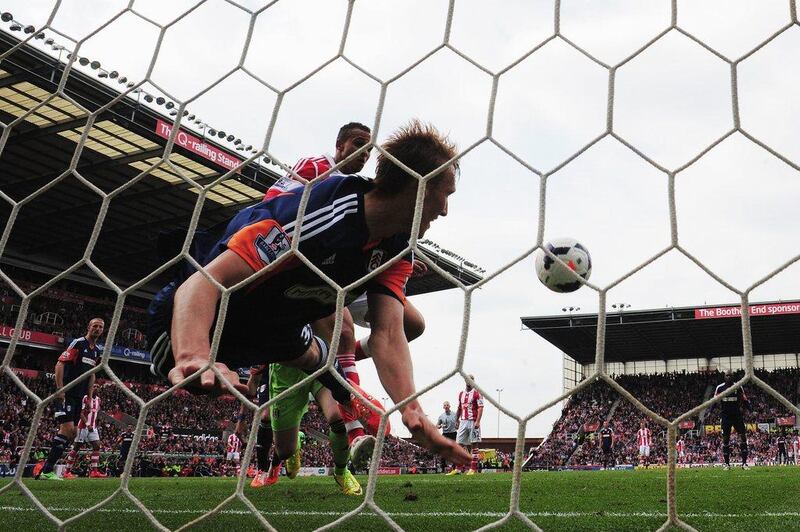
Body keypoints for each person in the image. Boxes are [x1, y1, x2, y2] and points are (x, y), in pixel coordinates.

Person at [147, 121, 468, 467]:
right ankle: (333, 384)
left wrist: (412, 409)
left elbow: (388, 333)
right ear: (415, 186)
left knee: (318, 348)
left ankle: (338, 382)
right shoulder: (320, 213)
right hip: (204, 321)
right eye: (445, 194)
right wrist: (194, 352)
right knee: (195, 376)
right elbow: (206, 282)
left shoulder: (397, 248)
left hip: (279, 325)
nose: (446, 210)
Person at [265, 121, 427, 457]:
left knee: (413, 325)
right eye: (357, 145)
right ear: (339, 145)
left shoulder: (362, 186)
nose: (364, 154)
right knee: (344, 325)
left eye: (369, 149)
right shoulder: (317, 167)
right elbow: (273, 201)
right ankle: (355, 426)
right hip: (312, 271)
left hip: (351, 273)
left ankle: (340, 360)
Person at [36, 318, 105, 480]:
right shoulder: (78, 343)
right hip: (67, 392)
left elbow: (92, 373)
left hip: (79, 396)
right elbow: (60, 364)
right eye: (94, 326)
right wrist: (60, 389)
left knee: (73, 434)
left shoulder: (96, 351)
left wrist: (88, 396)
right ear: (88, 327)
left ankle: (49, 467)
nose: (97, 329)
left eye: (100, 327)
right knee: (66, 430)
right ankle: (46, 470)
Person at [63, 385, 106, 479]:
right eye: (94, 386)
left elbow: (94, 414)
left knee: (97, 446)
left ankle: (94, 472)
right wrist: (87, 424)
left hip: (93, 427)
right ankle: (66, 472)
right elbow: (80, 413)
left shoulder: (99, 400)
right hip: (83, 426)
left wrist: (93, 424)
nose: (96, 388)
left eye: (97, 386)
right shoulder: (85, 398)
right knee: (76, 447)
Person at [447, 375, 483, 476]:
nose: (468, 381)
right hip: (463, 421)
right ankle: (458, 469)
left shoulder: (477, 393)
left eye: (471, 379)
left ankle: (473, 468)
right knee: (459, 444)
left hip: (473, 421)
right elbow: (459, 408)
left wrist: (478, 421)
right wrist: (456, 420)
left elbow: (480, 408)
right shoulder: (461, 394)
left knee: (474, 444)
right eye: (467, 379)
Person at [714, 371, 750, 470]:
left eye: (730, 375)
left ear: (733, 377)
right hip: (725, 416)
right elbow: (714, 401)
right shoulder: (720, 388)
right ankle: (727, 464)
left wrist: (751, 410)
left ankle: (744, 464)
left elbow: (745, 400)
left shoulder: (738, 386)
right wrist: (710, 411)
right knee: (726, 439)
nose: (729, 377)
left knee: (743, 437)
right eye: (727, 375)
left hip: (737, 416)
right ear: (724, 377)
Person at [436, 401, 457, 473]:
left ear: (450, 406)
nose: (446, 406)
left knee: (454, 451)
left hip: (453, 434)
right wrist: (441, 426)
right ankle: (442, 468)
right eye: (445, 405)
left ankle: (455, 468)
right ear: (443, 407)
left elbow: (458, 422)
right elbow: (437, 426)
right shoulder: (441, 416)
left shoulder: (454, 414)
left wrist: (457, 426)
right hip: (445, 434)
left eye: (447, 405)